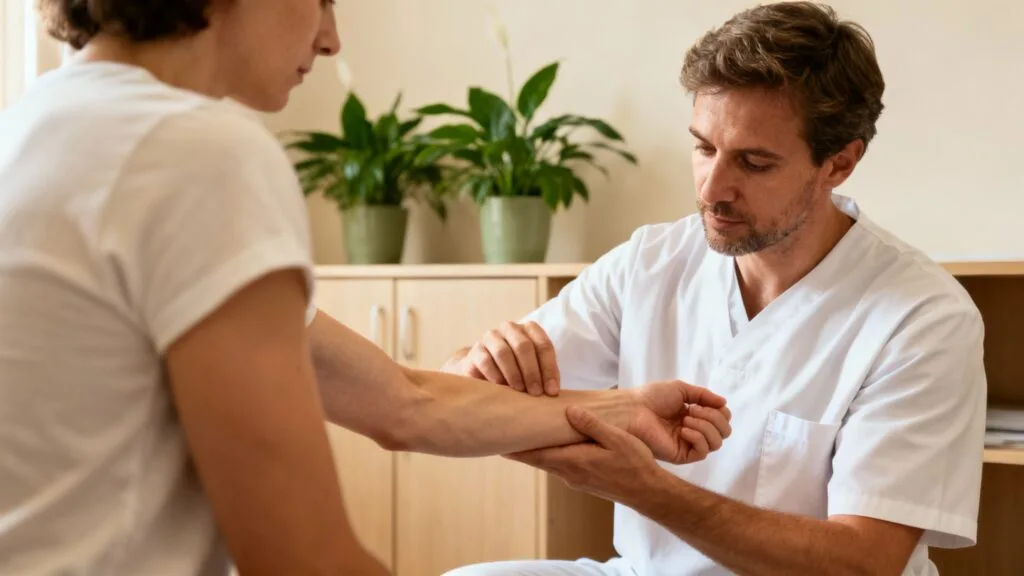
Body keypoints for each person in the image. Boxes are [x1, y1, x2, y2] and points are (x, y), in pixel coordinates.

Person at [0, 1, 733, 575]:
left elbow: (402, 404)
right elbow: (301, 559)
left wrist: (622, 407)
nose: (331, 39)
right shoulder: (191, 154)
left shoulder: (35, 131)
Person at [441, 2, 988, 575]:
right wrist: (477, 362)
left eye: (753, 163)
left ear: (840, 163)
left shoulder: (922, 316)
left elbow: (863, 562)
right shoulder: (651, 262)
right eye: (704, 148)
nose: (712, 189)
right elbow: (458, 398)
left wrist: (647, 489)